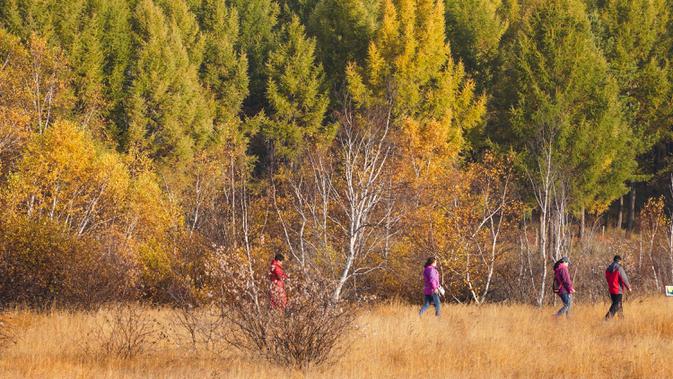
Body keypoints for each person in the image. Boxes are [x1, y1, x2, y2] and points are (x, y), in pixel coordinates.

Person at [605, 255, 631, 320]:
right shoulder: (619, 268)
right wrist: (628, 287)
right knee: (616, 305)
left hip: (611, 289)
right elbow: (623, 278)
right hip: (618, 290)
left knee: (619, 305)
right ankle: (607, 319)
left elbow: (607, 278)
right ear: (619, 260)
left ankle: (621, 319)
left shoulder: (608, 268)